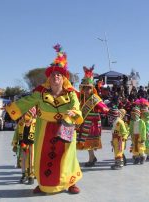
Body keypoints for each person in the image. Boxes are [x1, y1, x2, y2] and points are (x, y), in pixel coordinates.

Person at [6, 44, 84, 194]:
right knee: (43, 156)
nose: (56, 77)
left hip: (65, 129)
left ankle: (70, 183)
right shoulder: (40, 94)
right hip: (44, 130)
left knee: (67, 157)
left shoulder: (71, 94)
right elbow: (26, 101)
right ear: (49, 78)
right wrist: (11, 108)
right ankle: (44, 184)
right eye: (53, 75)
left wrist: (74, 113)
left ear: (63, 79)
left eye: (59, 75)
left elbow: (76, 107)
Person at [76, 66, 109, 167]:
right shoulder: (81, 98)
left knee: (88, 142)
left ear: (92, 88)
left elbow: (104, 107)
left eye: (89, 88)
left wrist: (105, 110)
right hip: (84, 123)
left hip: (92, 125)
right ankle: (92, 157)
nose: (86, 90)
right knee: (85, 142)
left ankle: (92, 158)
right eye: (85, 87)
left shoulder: (95, 99)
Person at [11, 107, 36, 185]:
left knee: (31, 161)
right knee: (23, 160)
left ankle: (31, 176)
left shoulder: (36, 122)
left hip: (32, 145)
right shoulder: (21, 122)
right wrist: (15, 144)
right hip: (23, 144)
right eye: (24, 113)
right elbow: (16, 133)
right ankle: (24, 175)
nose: (25, 115)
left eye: (27, 113)